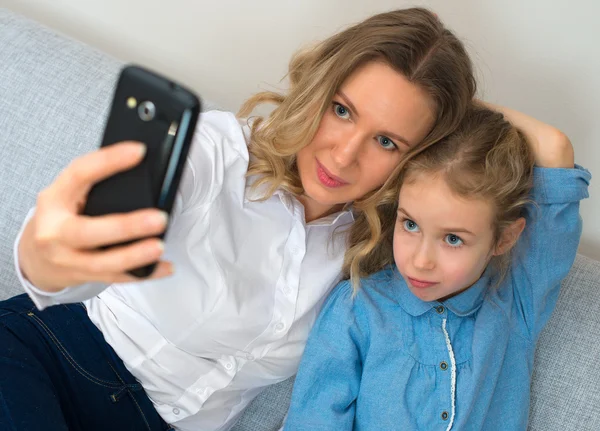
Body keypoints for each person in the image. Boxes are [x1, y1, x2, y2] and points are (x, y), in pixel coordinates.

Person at [0, 8, 476, 431]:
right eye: (342, 110)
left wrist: (459, 123)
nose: (345, 154)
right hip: (54, 356)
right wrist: (52, 257)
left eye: (387, 141)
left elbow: (547, 163)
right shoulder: (215, 152)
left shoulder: (381, 244)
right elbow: (64, 255)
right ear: (316, 89)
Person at [283, 104, 591, 430]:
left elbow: (556, 147)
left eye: (453, 239)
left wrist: (459, 103)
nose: (420, 261)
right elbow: (313, 420)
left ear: (504, 238)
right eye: (411, 225)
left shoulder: (516, 301)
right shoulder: (357, 306)